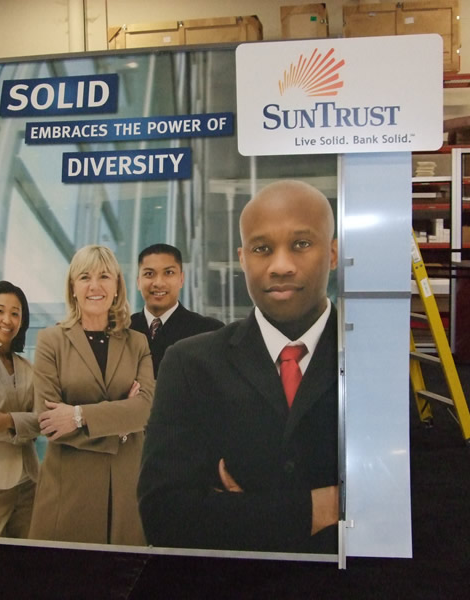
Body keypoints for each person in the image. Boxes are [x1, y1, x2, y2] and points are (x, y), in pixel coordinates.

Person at [137, 180, 339, 554]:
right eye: (262, 249)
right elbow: (164, 516)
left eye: (301, 244)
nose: (281, 266)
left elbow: (410, 507)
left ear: (332, 253)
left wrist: (241, 512)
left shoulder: (372, 358)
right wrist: (319, 509)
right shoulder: (190, 364)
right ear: (243, 258)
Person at [28, 244, 155, 546]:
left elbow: (146, 409)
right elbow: (48, 422)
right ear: (73, 288)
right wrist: (121, 424)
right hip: (68, 493)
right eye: (85, 277)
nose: (95, 286)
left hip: (124, 491)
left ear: (117, 287)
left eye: (104, 277)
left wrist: (77, 415)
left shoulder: (137, 342)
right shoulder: (50, 341)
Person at [0, 280, 39, 538]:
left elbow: (42, 421)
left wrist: (6, 421)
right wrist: (23, 422)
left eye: (15, 313)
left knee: (28, 551)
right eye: (0, 311)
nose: (7, 320)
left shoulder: (27, 367)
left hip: (29, 478)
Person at [130, 243, 224, 376]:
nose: (159, 283)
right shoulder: (122, 330)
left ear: (181, 279)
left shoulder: (210, 332)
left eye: (168, 273)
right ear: (138, 282)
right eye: (149, 274)